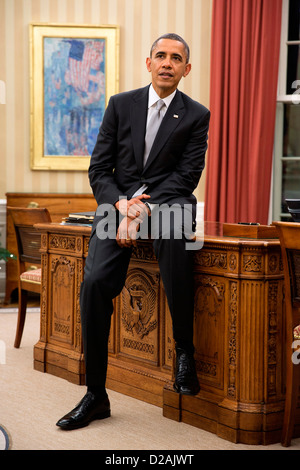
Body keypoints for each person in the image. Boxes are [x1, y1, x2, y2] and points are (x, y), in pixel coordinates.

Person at [56, 33, 210, 430]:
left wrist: (140, 210)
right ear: (148, 62)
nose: (167, 63)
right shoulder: (120, 105)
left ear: (186, 69)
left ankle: (184, 353)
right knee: (93, 283)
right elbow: (98, 170)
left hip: (168, 203)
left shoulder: (196, 115)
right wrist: (121, 205)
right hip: (117, 203)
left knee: (175, 240)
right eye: (161, 55)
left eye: (176, 58)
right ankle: (95, 394)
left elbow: (186, 176)